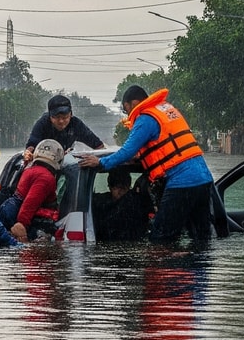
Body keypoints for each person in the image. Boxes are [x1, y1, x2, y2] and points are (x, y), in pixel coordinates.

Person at [80, 84, 214, 246]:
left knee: (161, 239)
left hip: (182, 183)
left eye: (126, 109)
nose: (128, 115)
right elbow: (166, 148)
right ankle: (200, 270)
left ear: (133, 103)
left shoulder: (145, 118)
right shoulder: (167, 111)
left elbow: (127, 151)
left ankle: (164, 271)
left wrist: (101, 162)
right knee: (202, 237)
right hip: (204, 179)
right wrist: (142, 157)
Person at [0, 139, 64, 242]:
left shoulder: (29, 170)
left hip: (8, 209)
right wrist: (22, 224)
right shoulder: (46, 178)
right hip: (19, 216)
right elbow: (31, 202)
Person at [23, 94, 103, 163]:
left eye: (65, 117)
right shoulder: (43, 123)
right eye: (57, 117)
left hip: (65, 158)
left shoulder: (76, 124)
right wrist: (28, 153)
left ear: (71, 114)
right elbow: (31, 145)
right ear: (50, 116)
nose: (61, 121)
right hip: (44, 159)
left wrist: (102, 160)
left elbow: (98, 145)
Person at [91, 168, 154, 242]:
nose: (120, 191)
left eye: (123, 188)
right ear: (110, 188)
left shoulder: (135, 202)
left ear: (129, 187)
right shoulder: (100, 202)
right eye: (117, 188)